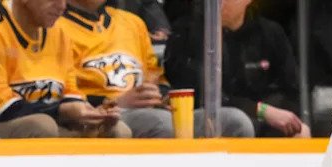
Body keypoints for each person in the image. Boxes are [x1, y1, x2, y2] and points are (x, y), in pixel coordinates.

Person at [58, 0, 254, 138]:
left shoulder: (133, 23)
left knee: (234, 121)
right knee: (163, 124)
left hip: (152, 111)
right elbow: (60, 95)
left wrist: (162, 96)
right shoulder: (56, 26)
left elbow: (156, 76)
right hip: (103, 115)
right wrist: (115, 102)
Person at [0, 0, 127, 139]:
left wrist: (89, 112)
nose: (62, 6)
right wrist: (61, 111)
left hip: (52, 123)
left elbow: (70, 90)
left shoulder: (58, 31)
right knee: (42, 125)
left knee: (116, 129)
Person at [164, 0, 309, 138]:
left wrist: (281, 114)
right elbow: (203, 95)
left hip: (266, 117)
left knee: (301, 131)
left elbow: (293, 90)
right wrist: (260, 110)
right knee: (238, 122)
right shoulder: (187, 33)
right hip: (213, 117)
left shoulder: (270, 33)